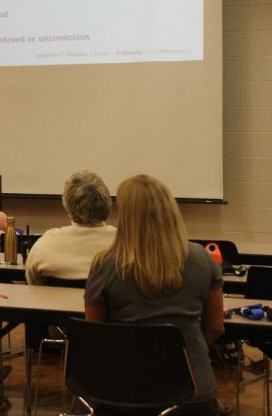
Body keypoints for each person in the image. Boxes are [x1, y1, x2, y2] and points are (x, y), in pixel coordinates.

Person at [85, 174, 225, 415]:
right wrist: (179, 354)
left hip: (122, 393)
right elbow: (215, 328)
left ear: (126, 217)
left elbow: (96, 336)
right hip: (192, 391)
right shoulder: (202, 258)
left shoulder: (105, 265)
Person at [25, 170, 116, 285]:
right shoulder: (127, 243)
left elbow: (33, 285)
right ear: (106, 201)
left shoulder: (46, 244)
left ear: (67, 204)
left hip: (55, 302)